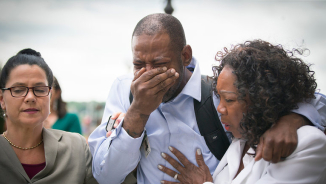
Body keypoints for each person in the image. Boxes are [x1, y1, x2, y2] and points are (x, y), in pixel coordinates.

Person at [88, 13, 326, 184]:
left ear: (185, 55)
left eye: (160, 64)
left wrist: (293, 119)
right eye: (139, 65)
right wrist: (137, 113)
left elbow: (303, 96)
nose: (148, 74)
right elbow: (106, 176)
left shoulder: (219, 90)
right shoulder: (123, 89)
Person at [158, 40, 326, 184]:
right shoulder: (241, 140)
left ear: (261, 98)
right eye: (219, 97)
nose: (219, 108)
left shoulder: (308, 143)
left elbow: (319, 101)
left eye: (229, 100)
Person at [0, 49, 98, 184]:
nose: (30, 97)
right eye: (18, 90)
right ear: (1, 99)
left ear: (50, 96)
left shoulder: (77, 149)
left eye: (40, 90)